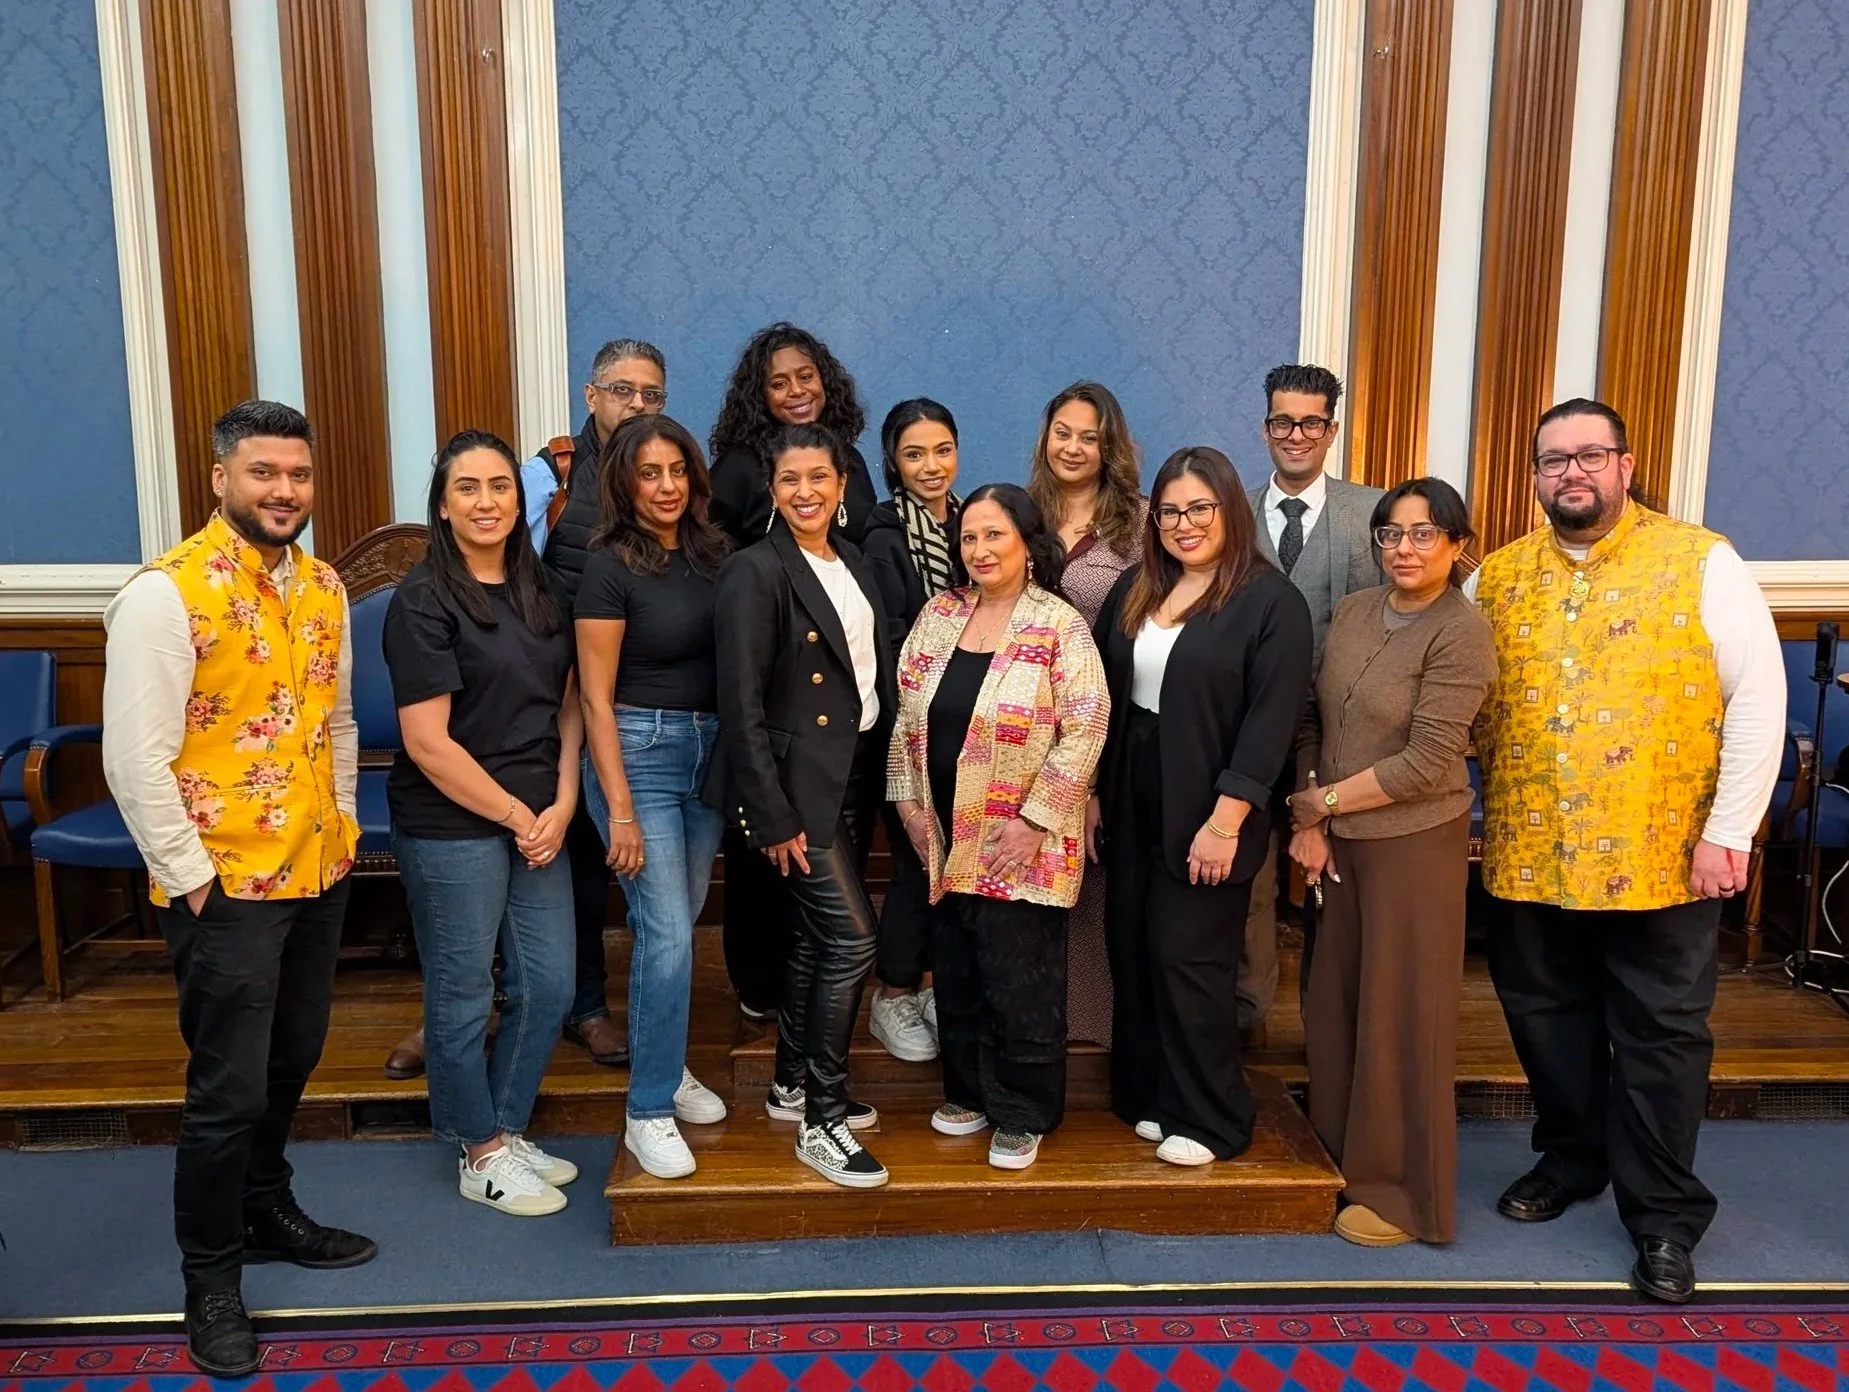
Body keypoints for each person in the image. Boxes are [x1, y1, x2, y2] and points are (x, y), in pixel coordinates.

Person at [1472, 399, 1781, 1303]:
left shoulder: (1699, 561)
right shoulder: (1494, 577)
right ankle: (1570, 1162)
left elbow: (1758, 699)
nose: (1571, 472)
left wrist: (1730, 830)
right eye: (1552, 460)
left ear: (1624, 462)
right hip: (1531, 850)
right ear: (1532, 475)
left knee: (1658, 1038)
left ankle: (1662, 1219)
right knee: (1545, 1021)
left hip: (1663, 856)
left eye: (1589, 456)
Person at [103, 400, 376, 1378]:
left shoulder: (325, 587)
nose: (284, 492)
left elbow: (336, 723)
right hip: (225, 885)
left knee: (292, 1058)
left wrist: (340, 823)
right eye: (263, 473)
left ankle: (266, 1209)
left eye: (298, 476)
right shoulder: (165, 595)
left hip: (317, 866)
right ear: (219, 478)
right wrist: (189, 880)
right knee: (224, 1090)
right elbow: (132, 760)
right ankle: (210, 1278)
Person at [382, 339, 667, 1080]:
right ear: (591, 395)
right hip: (507, 675)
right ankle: (460, 1016)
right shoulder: (549, 477)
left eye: (650, 395)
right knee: (477, 914)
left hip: (595, 695)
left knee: (576, 871)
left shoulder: (661, 474)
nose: (636, 405)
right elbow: (502, 558)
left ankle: (581, 1008)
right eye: (622, 390)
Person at [1287, 478, 1496, 1247]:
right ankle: (1339, 1159)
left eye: (1422, 533)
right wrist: (1308, 817)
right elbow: (1311, 718)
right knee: (1336, 1005)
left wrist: (1323, 807)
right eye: (1390, 533)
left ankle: (1404, 1194)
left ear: (1455, 545)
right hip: (1338, 841)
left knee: (1400, 1018)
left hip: (1412, 844)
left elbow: (1426, 762)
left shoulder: (1460, 631)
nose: (1403, 548)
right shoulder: (1351, 612)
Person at [1093, 447, 1312, 1165]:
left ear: (1228, 510)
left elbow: (1270, 721)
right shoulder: (1135, 587)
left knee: (1190, 960)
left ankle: (1214, 1117)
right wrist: (1092, 793)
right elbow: (1101, 701)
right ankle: (1158, 1094)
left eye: (1198, 508)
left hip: (1211, 798)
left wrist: (1226, 821)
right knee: (1136, 947)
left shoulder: (1268, 601)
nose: (1183, 524)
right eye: (1169, 512)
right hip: (1131, 790)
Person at [385, 431, 583, 1220]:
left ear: (520, 497)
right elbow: (427, 742)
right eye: (467, 487)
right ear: (442, 503)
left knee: (549, 984)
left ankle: (505, 1126)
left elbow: (569, 705)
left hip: (541, 813)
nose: (486, 501)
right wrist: (515, 815)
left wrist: (564, 803)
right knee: (463, 995)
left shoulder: (542, 589)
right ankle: (477, 1149)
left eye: (499, 485)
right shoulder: (423, 600)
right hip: (452, 821)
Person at [888, 485, 1110, 1169]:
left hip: (1022, 845)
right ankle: (970, 1093)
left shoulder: (1058, 625)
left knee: (1020, 983)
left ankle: (1022, 1110)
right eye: (969, 538)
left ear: (1025, 540)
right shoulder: (938, 614)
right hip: (945, 838)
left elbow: (1087, 726)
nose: (980, 550)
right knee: (955, 974)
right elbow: (905, 717)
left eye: (994, 536)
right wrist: (910, 807)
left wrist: (1036, 820)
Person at [712, 423, 894, 1188]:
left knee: (816, 941)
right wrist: (771, 813)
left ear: (842, 484)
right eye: (790, 480)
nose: (806, 492)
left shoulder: (851, 561)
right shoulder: (754, 571)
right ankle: (822, 1117)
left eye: (819, 477)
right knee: (854, 942)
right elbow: (741, 702)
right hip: (792, 789)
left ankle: (791, 1081)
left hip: (847, 775)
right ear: (772, 490)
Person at [575, 414, 732, 1179]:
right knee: (665, 932)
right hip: (637, 750)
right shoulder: (608, 566)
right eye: (649, 473)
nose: (666, 486)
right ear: (624, 482)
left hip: (707, 754)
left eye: (677, 470)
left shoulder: (713, 552)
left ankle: (667, 1068)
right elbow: (595, 700)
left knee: (678, 925)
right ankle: (646, 1109)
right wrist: (621, 810)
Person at [708, 323, 878, 1020]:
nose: (795, 390)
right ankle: (766, 1006)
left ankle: (797, 1050)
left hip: (848, 716)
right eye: (777, 381)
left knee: (822, 917)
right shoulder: (741, 476)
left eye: (804, 375)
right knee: (784, 888)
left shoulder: (852, 464)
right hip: (783, 697)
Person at [1241, 364, 1384, 1044]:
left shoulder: (1378, 515)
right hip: (1244, 735)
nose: (1293, 435)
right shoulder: (1226, 513)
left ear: (1330, 429)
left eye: (1309, 422)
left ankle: (1332, 1036)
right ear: (1264, 426)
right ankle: (1242, 1028)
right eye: (1280, 421)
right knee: (1247, 887)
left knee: (1339, 887)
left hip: (1346, 738)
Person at [1023, 381, 1145, 1049]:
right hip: (1023, 732)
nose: (1073, 447)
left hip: (1107, 729)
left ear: (1110, 447)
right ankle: (1035, 1025)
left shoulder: (1140, 524)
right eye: (1062, 432)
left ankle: (1094, 1029)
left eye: (1088, 436)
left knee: (1094, 876)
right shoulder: (1022, 516)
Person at [860, 398, 964, 1062]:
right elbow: (888, 639)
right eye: (914, 454)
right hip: (907, 724)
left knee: (953, 861)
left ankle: (930, 981)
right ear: (893, 463)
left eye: (942, 449)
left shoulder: (969, 522)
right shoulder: (882, 536)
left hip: (970, 724)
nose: (931, 466)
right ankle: (891, 993)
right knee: (914, 861)